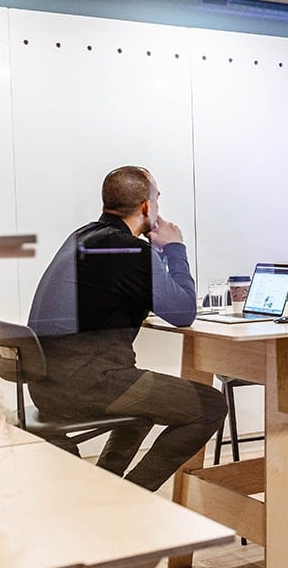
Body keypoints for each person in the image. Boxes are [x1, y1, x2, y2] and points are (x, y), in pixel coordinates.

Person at [28, 165, 224, 491]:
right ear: (146, 207)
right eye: (157, 200)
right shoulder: (128, 249)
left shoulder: (84, 237)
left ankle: (106, 489)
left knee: (144, 407)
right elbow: (183, 311)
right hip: (86, 386)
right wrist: (175, 248)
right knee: (211, 406)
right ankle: (133, 498)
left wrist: (154, 257)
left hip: (46, 385)